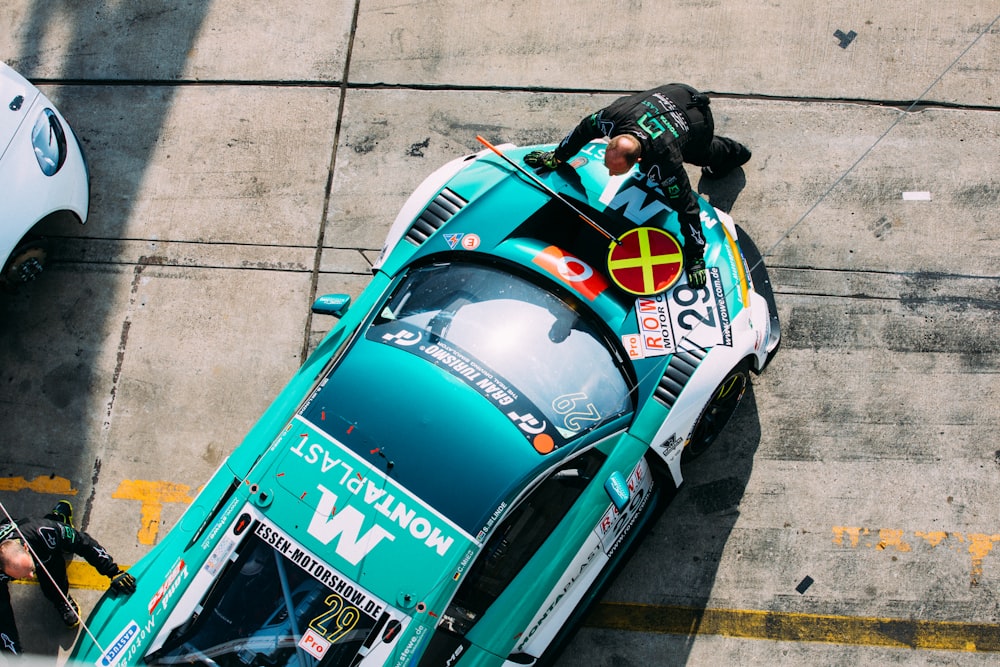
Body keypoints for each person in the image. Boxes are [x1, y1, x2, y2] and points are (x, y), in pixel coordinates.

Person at [524, 83, 752, 289]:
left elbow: (688, 208)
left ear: (639, 160)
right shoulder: (612, 117)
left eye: (616, 170)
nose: (610, 172)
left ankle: (738, 154)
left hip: (695, 117)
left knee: (703, 154)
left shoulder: (666, 161)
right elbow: (584, 129)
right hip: (672, 94)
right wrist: (556, 157)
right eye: (608, 164)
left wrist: (695, 256)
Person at [0, 500, 136, 656]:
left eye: (30, 570)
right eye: (22, 575)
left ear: (25, 548)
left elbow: (83, 542)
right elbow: (3, 618)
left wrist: (113, 571)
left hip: (40, 539)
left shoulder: (44, 532)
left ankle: (59, 517)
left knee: (54, 562)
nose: (31, 577)